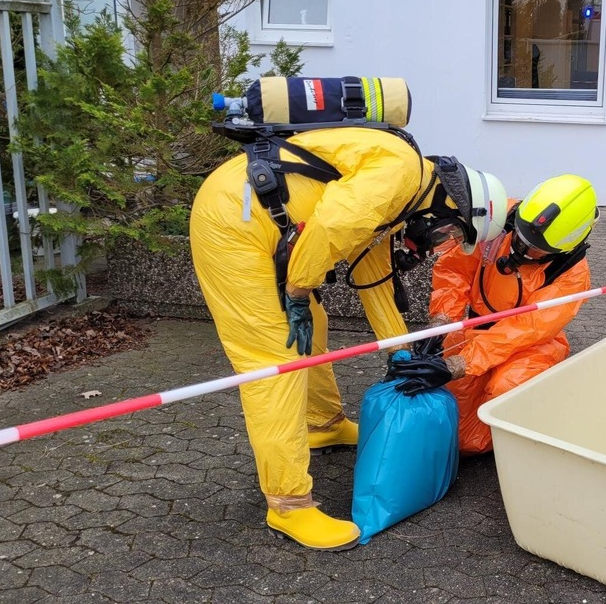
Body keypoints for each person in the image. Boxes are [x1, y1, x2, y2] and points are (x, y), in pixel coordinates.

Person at [190, 118, 508, 550]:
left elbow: (373, 275)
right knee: (273, 363)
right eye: (452, 232)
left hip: (254, 214)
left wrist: (400, 352)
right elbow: (329, 229)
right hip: (231, 220)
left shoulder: (402, 197)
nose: (441, 242)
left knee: (314, 326)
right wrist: (299, 290)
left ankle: (323, 424)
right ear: (452, 206)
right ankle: (288, 505)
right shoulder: (398, 171)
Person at [386, 174, 598, 455]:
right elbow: (455, 270)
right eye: (519, 236)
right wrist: (441, 322)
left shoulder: (571, 276)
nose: (519, 246)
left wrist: (461, 363)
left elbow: (524, 329)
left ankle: (522, 435)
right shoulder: (495, 221)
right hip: (477, 328)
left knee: (503, 390)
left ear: (562, 249)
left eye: (533, 248)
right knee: (452, 417)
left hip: (531, 345)